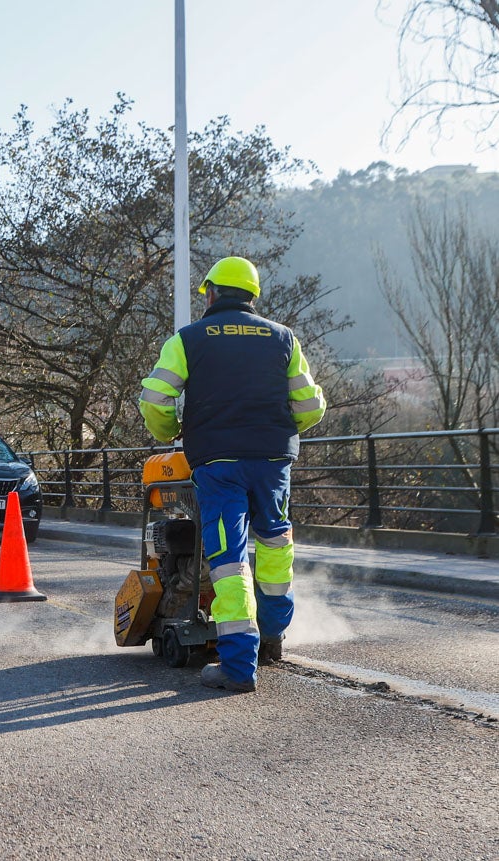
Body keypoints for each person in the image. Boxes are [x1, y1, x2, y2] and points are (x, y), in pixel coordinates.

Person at [138, 256, 326, 693]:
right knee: (276, 544)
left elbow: (155, 401)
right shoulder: (283, 338)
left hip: (218, 462)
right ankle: (273, 635)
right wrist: (275, 432)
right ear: (252, 296)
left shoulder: (189, 339)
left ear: (212, 293)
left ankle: (239, 668)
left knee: (227, 558)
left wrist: (171, 433)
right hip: (273, 460)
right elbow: (312, 407)